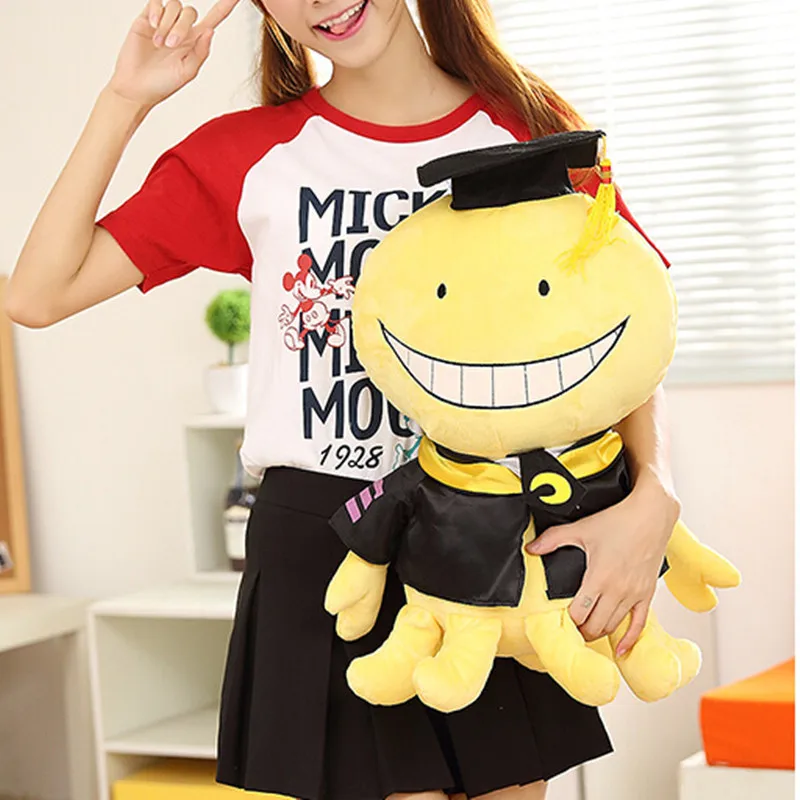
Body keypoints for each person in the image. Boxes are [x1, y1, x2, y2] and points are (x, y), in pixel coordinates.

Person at [6, 1, 681, 798]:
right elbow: (37, 295)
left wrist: (655, 492)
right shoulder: (248, 155)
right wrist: (126, 98)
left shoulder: (525, 129)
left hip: (490, 531)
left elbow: (623, 326)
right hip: (324, 542)